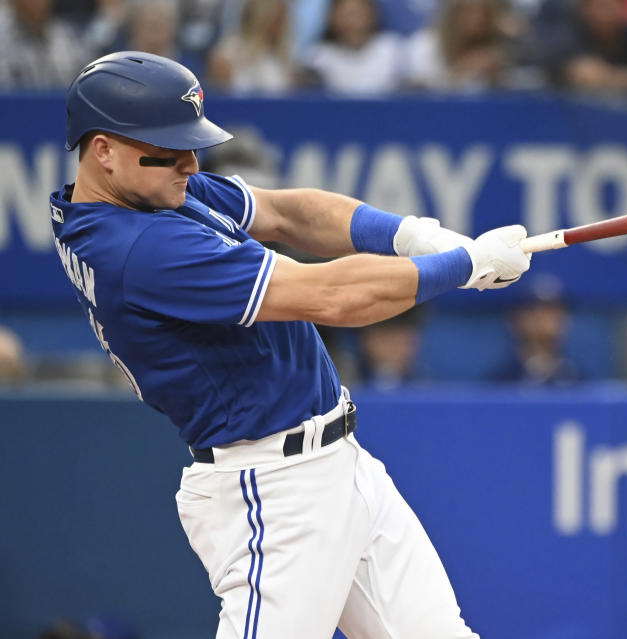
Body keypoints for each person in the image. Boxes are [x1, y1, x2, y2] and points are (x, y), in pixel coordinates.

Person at [52, 51, 531, 638]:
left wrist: (413, 235)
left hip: (339, 462)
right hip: (273, 492)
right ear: (103, 149)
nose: (191, 164)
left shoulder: (147, 188)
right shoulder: (139, 249)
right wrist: (460, 266)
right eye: (171, 151)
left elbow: (288, 212)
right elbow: (332, 296)